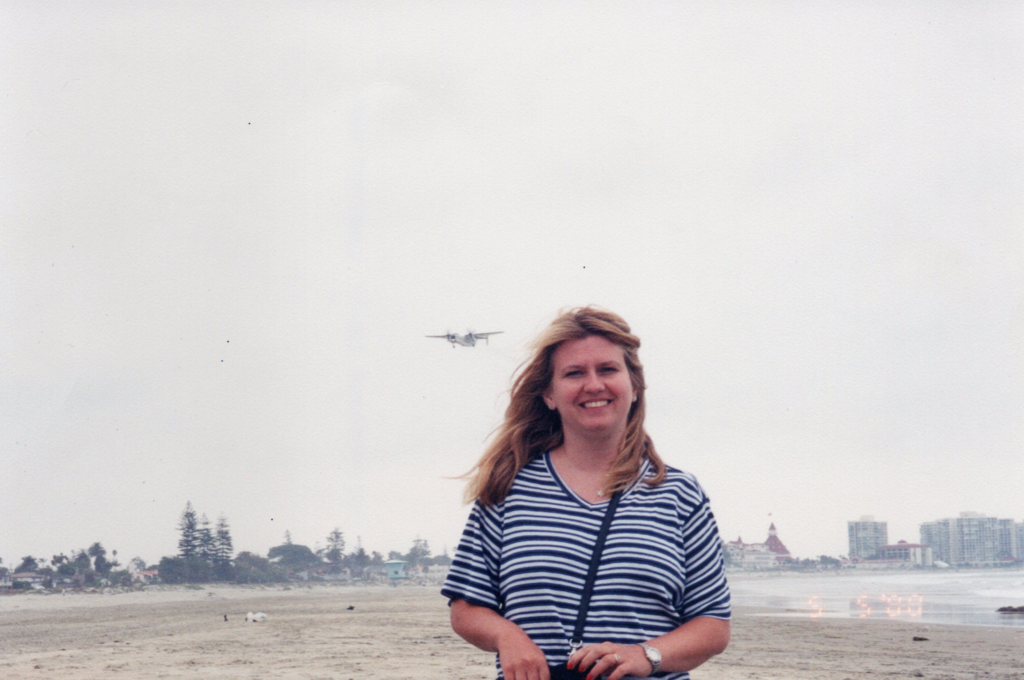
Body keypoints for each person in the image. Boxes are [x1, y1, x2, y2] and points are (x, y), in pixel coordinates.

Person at [441, 307, 730, 680]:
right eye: (574, 373)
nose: (593, 385)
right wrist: (506, 635)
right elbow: (465, 606)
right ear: (549, 394)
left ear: (635, 386)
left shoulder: (679, 494)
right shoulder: (508, 488)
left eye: (607, 369)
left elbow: (713, 624)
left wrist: (645, 655)